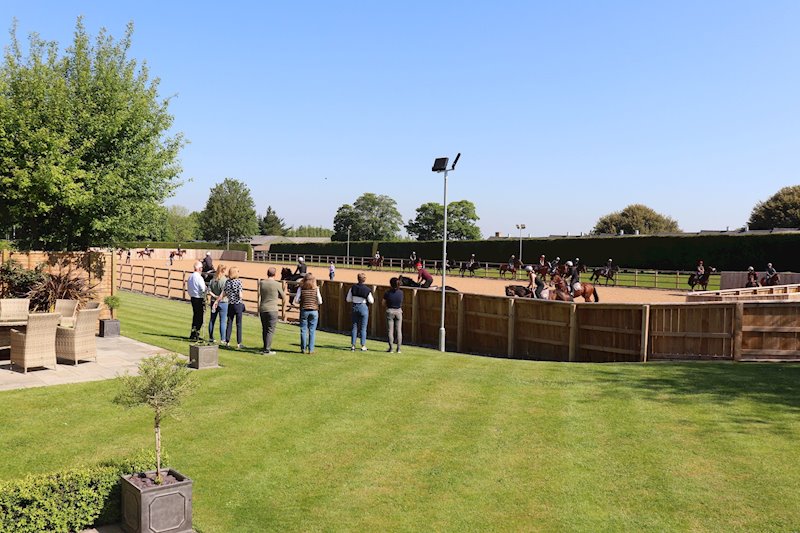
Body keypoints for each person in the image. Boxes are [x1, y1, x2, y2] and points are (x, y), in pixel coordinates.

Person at [214, 266, 245, 348]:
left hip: (230, 304)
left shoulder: (228, 282)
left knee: (229, 323)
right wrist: (241, 297)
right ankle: (239, 343)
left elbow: (224, 293)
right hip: (238, 304)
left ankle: (227, 341)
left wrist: (217, 300)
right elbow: (240, 294)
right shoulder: (238, 282)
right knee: (238, 324)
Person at [293, 273, 322, 354]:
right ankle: (311, 349)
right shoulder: (316, 289)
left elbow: (296, 300)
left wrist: (302, 301)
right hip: (314, 310)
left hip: (304, 310)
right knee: (312, 331)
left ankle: (303, 349)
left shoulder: (301, 288)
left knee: (303, 330)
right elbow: (320, 301)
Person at [258, 267, 284, 355]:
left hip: (263, 308)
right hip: (272, 309)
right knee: (270, 330)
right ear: (275, 274)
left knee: (264, 329)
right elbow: (283, 296)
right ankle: (267, 349)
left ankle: (265, 346)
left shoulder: (262, 283)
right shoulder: (277, 284)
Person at [346, 272, 375, 351]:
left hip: (355, 306)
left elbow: (348, 299)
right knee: (363, 328)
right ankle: (363, 345)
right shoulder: (367, 289)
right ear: (364, 280)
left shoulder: (352, 288)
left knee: (354, 327)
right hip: (363, 307)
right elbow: (371, 301)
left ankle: (353, 345)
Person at [206, 264, 228, 343]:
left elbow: (208, 290)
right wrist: (218, 297)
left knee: (212, 320)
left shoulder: (213, 279)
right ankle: (223, 339)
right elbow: (224, 292)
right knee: (222, 321)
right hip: (223, 302)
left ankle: (211, 337)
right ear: (223, 270)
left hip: (213, 302)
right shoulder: (224, 280)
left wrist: (214, 296)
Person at [187, 261, 207, 341]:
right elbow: (203, 288)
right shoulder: (199, 277)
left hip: (193, 297)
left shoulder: (190, 276)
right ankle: (196, 334)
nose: (202, 269)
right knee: (199, 317)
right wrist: (205, 292)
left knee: (195, 316)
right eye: (201, 268)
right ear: (199, 268)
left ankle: (193, 333)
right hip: (199, 298)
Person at [384, 277, 404, 353]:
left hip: (390, 311)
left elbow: (383, 302)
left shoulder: (387, 293)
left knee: (390, 331)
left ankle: (391, 348)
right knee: (399, 330)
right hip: (398, 311)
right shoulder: (401, 292)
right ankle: (398, 349)